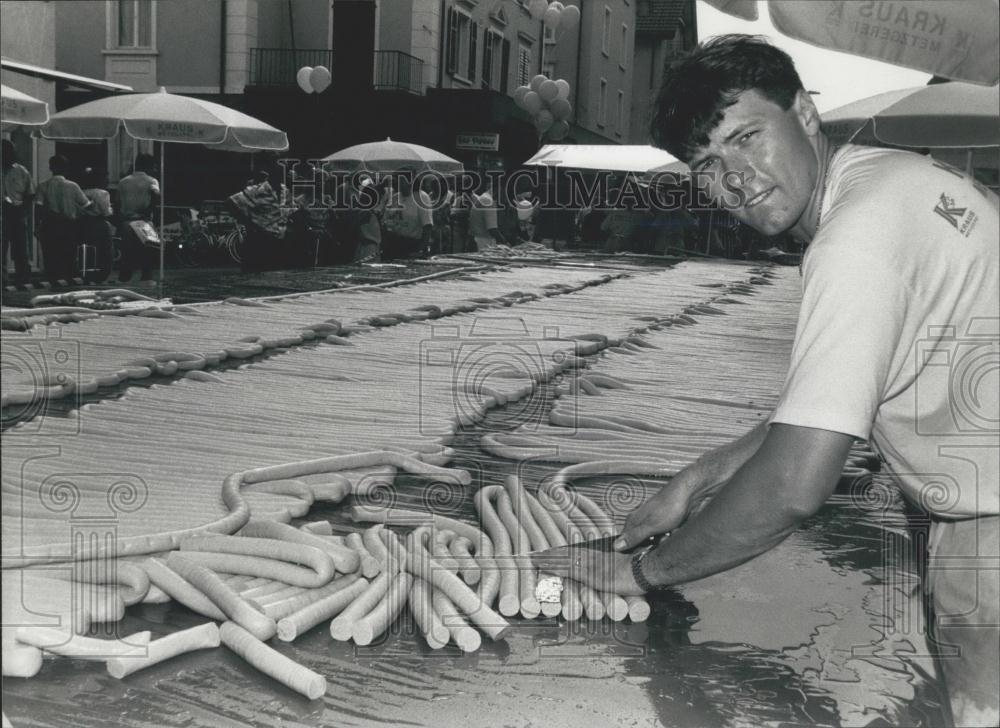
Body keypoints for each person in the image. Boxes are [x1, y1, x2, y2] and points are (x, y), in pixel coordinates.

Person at [531, 35, 998, 727]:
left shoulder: (854, 243)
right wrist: (697, 479)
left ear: (805, 113)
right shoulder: (887, 177)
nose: (738, 178)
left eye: (748, 137)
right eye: (709, 165)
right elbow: (834, 402)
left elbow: (793, 487)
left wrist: (639, 572)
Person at [227, 153, 290, 273]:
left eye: (284, 169)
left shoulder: (285, 191)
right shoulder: (257, 190)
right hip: (258, 241)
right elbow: (231, 202)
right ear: (272, 171)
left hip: (277, 243)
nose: (282, 172)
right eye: (279, 168)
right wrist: (249, 221)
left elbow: (291, 212)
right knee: (253, 278)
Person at [35, 154, 91, 283]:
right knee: (69, 257)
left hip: (50, 225)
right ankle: (69, 284)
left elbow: (38, 208)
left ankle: (54, 283)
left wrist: (37, 226)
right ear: (66, 168)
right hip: (69, 225)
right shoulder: (73, 186)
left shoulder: (42, 186)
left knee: (51, 257)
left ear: (50, 167)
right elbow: (86, 205)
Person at [116, 153, 160, 283]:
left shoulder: (123, 182)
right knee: (147, 252)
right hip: (144, 221)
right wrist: (149, 209)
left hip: (127, 221)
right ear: (148, 166)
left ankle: (124, 279)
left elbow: (117, 202)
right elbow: (157, 195)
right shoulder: (152, 181)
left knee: (127, 253)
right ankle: (146, 278)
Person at [1, 139, 35, 287]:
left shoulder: (21, 171)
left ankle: (24, 278)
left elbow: (30, 193)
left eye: (9, 152)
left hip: (17, 213)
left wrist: (22, 209)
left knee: (20, 247)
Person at [380, 171, 433, 260]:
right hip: (392, 244)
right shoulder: (395, 197)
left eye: (402, 180)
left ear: (411, 181)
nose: (398, 183)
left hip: (412, 244)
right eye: (398, 180)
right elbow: (385, 221)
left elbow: (427, 226)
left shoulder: (422, 197)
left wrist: (420, 250)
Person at [79, 168, 114, 283]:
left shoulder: (81, 192)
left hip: (83, 223)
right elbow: (106, 211)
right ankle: (101, 274)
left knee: (87, 249)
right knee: (104, 250)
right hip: (99, 223)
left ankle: (86, 272)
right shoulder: (102, 193)